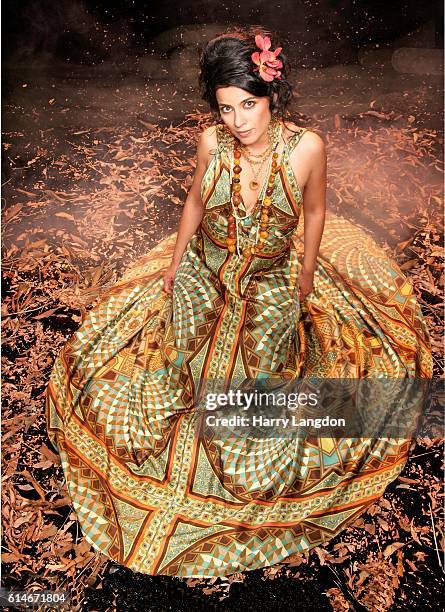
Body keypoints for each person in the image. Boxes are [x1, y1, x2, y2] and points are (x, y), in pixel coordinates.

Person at [46, 27, 433, 578]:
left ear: (272, 95)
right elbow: (195, 202)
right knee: (170, 363)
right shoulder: (211, 143)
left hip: (274, 274)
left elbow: (317, 213)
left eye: (249, 105)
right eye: (226, 108)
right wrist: (178, 262)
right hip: (209, 266)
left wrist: (304, 271)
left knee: (269, 380)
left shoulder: (307, 148)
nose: (239, 121)